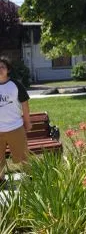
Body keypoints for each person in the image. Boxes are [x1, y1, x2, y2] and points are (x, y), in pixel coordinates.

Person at [0, 56, 31, 184]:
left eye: (2, 67)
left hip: (15, 127)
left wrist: (27, 122)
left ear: (8, 70)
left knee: (23, 156)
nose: (0, 69)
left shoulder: (16, 85)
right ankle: (0, 180)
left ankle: (30, 179)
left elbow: (25, 104)